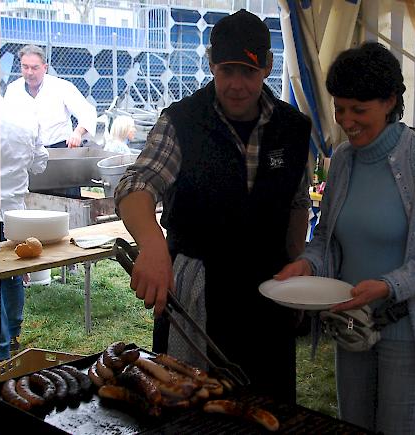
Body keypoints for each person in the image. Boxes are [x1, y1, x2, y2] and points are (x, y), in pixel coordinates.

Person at [114, 9, 311, 403]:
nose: (236, 85)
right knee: (190, 400)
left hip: (270, 288)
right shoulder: (182, 121)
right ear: (211, 64)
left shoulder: (293, 127)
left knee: (268, 399)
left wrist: (298, 270)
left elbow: (296, 203)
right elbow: (136, 184)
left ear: (268, 67)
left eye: (248, 72)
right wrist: (153, 246)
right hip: (200, 287)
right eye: (226, 71)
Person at [275, 42, 415, 433]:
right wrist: (307, 264)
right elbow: (329, 240)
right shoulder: (345, 159)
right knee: (354, 426)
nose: (346, 120)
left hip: (409, 329)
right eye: (340, 107)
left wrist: (387, 286)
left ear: (390, 102)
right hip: (352, 322)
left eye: (359, 110)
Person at [4, 44, 97, 197]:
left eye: (34, 68)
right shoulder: (13, 90)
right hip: (27, 155)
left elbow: (88, 112)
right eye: (25, 67)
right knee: (31, 199)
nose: (29, 72)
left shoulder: (62, 87)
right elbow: (6, 123)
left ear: (44, 67)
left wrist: (78, 133)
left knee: (66, 198)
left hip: (60, 154)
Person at [0, 95, 49, 362]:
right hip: (14, 212)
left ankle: (0, 350)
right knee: (12, 273)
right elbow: (40, 163)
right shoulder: (25, 117)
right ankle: (13, 336)